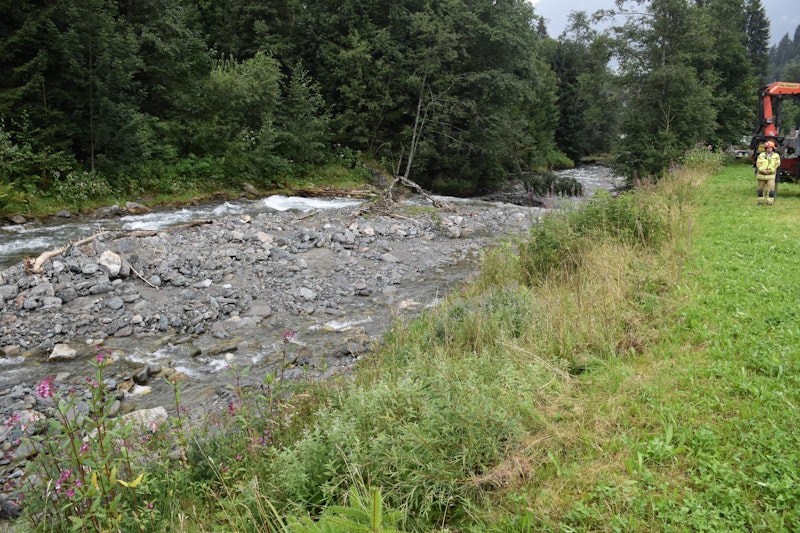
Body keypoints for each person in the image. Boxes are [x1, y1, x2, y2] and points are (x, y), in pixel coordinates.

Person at [756, 140, 781, 205]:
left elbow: (777, 164)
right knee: (760, 189)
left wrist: (771, 170)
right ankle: (760, 201)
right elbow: (758, 163)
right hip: (761, 175)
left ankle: (770, 202)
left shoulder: (776, 156)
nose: (768, 149)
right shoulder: (761, 155)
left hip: (771, 175)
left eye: (770, 148)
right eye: (767, 148)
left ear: (773, 148)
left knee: (771, 189)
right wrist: (762, 170)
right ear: (765, 148)